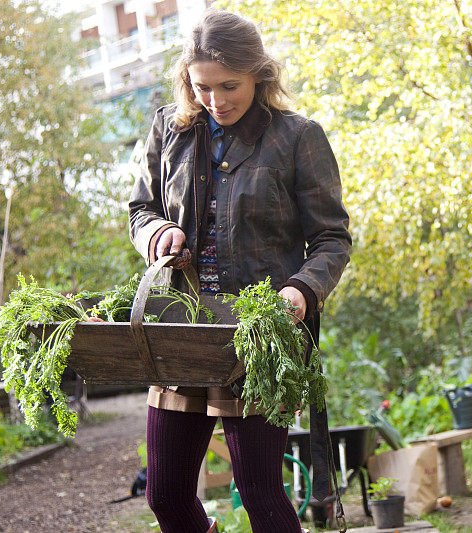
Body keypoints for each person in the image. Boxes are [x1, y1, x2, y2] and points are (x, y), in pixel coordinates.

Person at [128, 8, 351, 533]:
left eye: (230, 86)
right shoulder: (169, 128)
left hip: (260, 333)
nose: (216, 100)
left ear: (259, 74)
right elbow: (140, 210)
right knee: (165, 495)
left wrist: (302, 289)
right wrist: (159, 233)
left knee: (260, 495)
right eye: (202, 87)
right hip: (180, 330)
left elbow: (331, 239)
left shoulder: (298, 137)